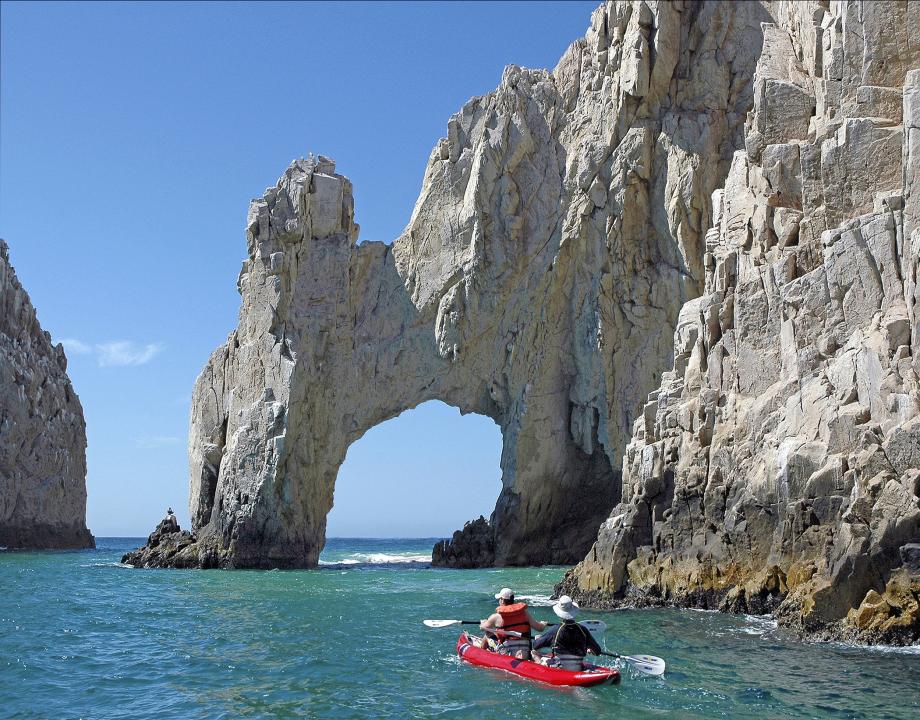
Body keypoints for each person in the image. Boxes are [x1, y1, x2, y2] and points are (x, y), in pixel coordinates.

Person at [531, 595, 603, 670]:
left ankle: (539, 664)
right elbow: (597, 651)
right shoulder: (583, 630)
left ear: (559, 613)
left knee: (534, 652)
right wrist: (588, 648)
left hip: (560, 668)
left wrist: (538, 639)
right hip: (578, 667)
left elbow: (536, 645)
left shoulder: (555, 630)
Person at [479, 587, 546, 658]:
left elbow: (482, 628)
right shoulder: (524, 613)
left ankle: (480, 654)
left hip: (506, 650)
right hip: (525, 648)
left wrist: (484, 622)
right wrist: (543, 624)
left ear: (502, 600)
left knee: (487, 633)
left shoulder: (496, 617)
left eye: (499, 599)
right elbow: (540, 628)